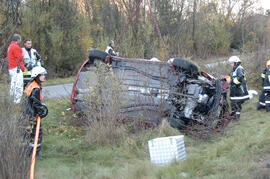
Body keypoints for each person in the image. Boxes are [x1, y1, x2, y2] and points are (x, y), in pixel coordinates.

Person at [24, 66, 48, 160]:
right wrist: (41, 111)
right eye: (42, 75)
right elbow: (36, 102)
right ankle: (36, 154)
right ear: (37, 76)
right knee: (37, 133)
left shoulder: (31, 85)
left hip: (26, 114)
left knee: (27, 133)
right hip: (32, 115)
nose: (44, 76)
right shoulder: (36, 88)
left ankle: (27, 152)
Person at [226, 56, 250, 120]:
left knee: (237, 104)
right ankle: (233, 116)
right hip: (234, 90)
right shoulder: (234, 69)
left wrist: (231, 81)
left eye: (231, 63)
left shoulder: (239, 68)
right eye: (230, 63)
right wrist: (226, 78)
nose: (230, 64)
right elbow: (230, 76)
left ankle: (236, 117)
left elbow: (240, 78)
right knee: (233, 103)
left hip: (239, 90)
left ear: (236, 62)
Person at [7, 33, 25, 104]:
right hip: (16, 68)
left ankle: (10, 100)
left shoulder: (10, 46)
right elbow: (20, 58)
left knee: (13, 84)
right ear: (18, 40)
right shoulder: (16, 47)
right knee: (18, 85)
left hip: (11, 68)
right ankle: (16, 102)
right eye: (20, 39)